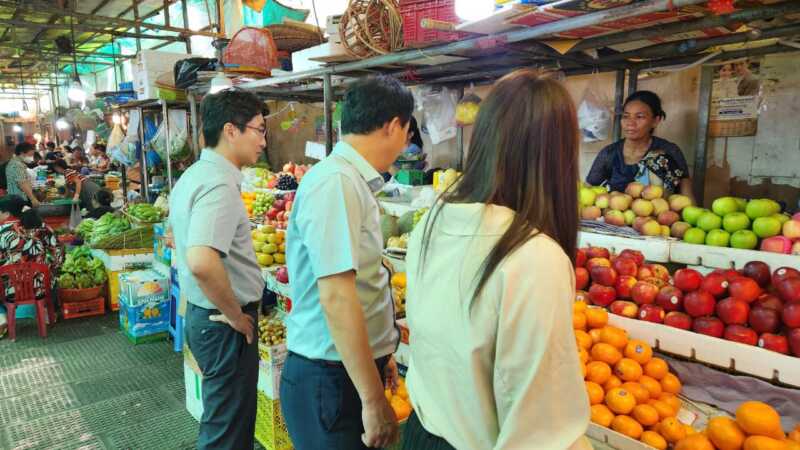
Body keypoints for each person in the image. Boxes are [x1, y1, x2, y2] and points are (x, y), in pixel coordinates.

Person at [403, 69, 590, 450]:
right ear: (559, 157)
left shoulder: (434, 222)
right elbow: (539, 426)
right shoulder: (534, 257)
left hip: (422, 432)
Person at [282, 75, 409, 450]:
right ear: (393, 126)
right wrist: (372, 400)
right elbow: (337, 297)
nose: (405, 145)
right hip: (329, 380)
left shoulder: (349, 180)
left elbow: (360, 285)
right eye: (407, 133)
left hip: (344, 371)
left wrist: (377, 354)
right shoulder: (336, 182)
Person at [169, 89, 267, 450]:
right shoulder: (218, 183)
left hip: (206, 317)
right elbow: (201, 261)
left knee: (225, 420)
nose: (263, 140)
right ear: (231, 130)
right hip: (223, 324)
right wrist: (237, 316)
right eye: (258, 129)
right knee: (227, 431)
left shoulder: (195, 175)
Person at [586, 90, 694, 201]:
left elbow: (687, 200)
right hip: (614, 215)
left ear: (655, 121)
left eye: (639, 117)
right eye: (626, 116)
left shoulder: (668, 151)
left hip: (660, 216)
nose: (630, 123)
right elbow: (588, 192)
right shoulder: (609, 153)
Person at [0, 195, 63, 339]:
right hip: (41, 286)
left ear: (7, 213)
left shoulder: (2, 231)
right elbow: (58, 251)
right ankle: (48, 312)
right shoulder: (40, 225)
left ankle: (2, 317)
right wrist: (52, 269)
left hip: (10, 290)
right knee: (50, 274)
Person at [6, 143, 40, 207]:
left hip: (19, 197)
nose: (32, 157)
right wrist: (33, 199)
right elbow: (22, 184)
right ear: (22, 153)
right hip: (19, 199)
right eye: (30, 154)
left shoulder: (18, 163)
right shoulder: (16, 165)